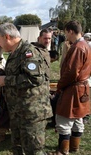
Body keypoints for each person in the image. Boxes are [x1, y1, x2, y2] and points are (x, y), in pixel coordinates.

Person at [0, 23, 52, 155]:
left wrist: (6, 80)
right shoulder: (15, 52)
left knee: (34, 151)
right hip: (19, 112)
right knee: (18, 148)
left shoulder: (28, 52)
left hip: (31, 113)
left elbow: (35, 78)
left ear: (7, 37)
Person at [51, 20, 91, 154]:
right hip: (82, 87)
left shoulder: (78, 47)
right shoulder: (85, 44)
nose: (65, 36)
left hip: (73, 88)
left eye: (65, 32)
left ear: (71, 31)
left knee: (64, 119)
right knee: (78, 118)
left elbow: (72, 72)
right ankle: (74, 147)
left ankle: (63, 151)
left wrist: (60, 86)